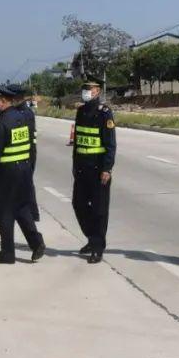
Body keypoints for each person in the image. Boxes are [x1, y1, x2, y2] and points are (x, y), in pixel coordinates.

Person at [0, 84, 46, 264]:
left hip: (7, 174)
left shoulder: (0, 123)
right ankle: (36, 243)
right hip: (24, 172)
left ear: (4, 101)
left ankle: (7, 253)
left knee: (4, 212)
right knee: (22, 209)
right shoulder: (22, 118)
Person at [70, 79, 116, 264]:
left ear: (97, 91)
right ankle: (91, 237)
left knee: (99, 210)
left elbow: (110, 144)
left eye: (89, 89)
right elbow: (78, 141)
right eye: (84, 89)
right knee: (78, 205)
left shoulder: (104, 113)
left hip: (98, 170)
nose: (85, 92)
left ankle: (98, 247)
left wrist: (107, 168)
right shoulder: (81, 111)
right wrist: (74, 164)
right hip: (82, 168)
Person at [13, 87, 40, 223]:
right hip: (24, 151)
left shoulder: (26, 113)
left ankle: (33, 213)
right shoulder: (18, 111)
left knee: (27, 183)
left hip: (28, 152)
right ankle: (27, 210)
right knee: (23, 183)